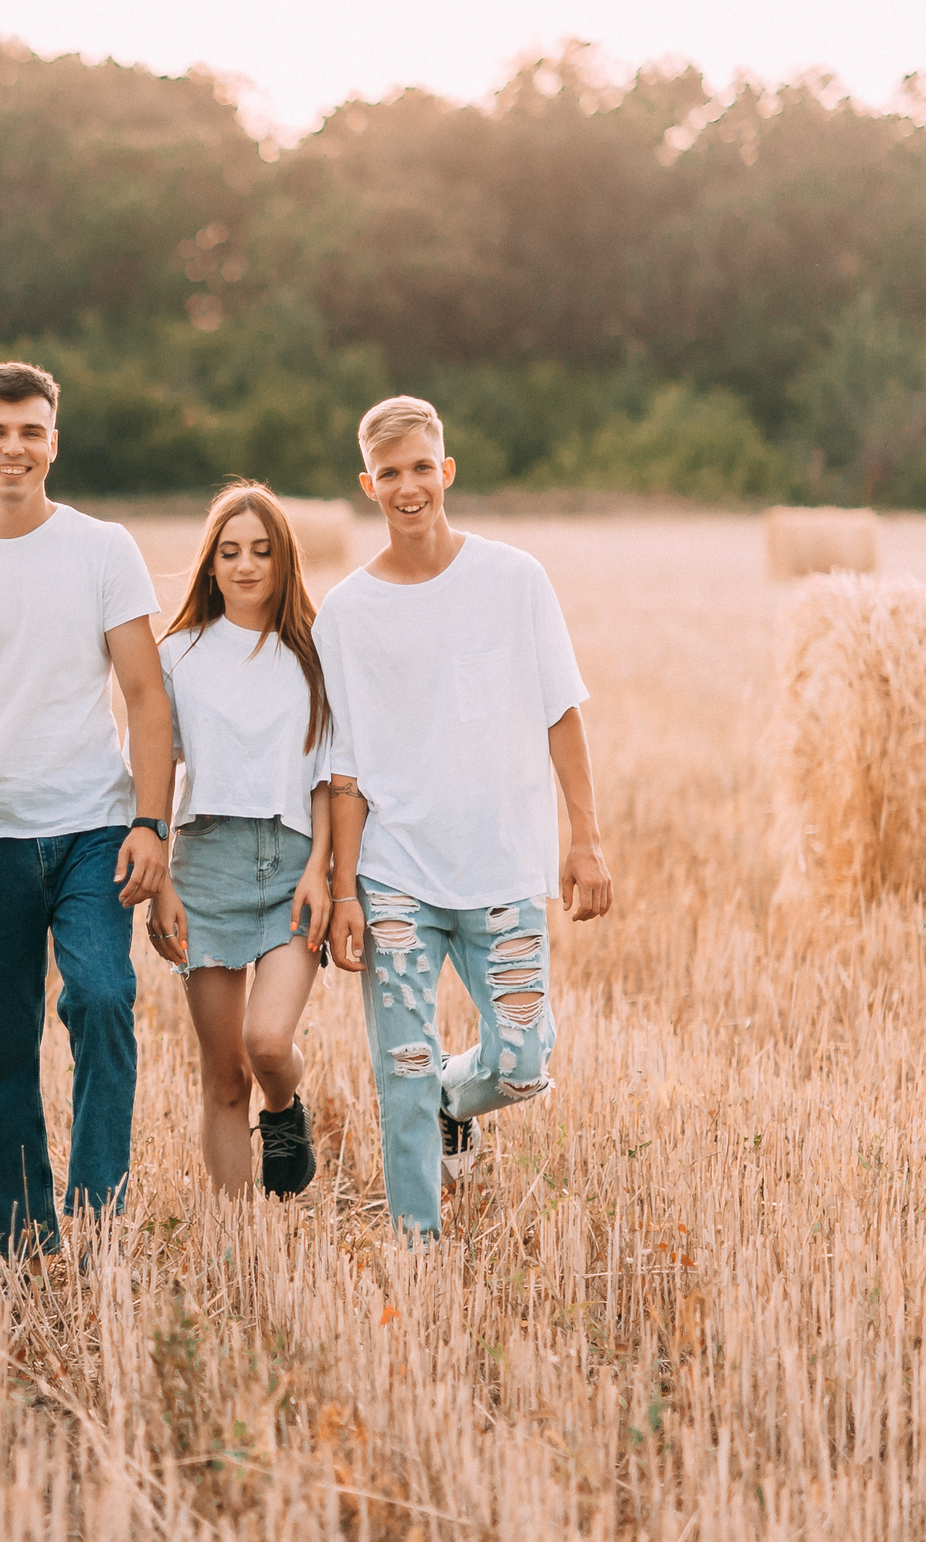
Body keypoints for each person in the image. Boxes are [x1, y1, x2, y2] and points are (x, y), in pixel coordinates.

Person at [319, 395, 615, 1240]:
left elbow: (561, 713)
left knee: (524, 1063)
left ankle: (454, 1099)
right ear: (368, 485)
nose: (408, 487)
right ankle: (416, 1243)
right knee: (401, 1067)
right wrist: (344, 891)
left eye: (422, 467)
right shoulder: (346, 612)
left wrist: (585, 839)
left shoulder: (514, 579)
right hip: (395, 872)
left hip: (502, 866)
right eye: (389, 473)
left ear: (446, 470)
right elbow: (344, 769)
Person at [0, 362, 172, 1257]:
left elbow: (146, 696)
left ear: (54, 442)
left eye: (31, 431)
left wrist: (151, 823)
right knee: (3, 1044)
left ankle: (97, 1208)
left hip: (93, 826)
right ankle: (25, 1234)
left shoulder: (102, 548)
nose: (15, 448)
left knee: (105, 996)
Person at [149, 483, 334, 1199]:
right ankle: (236, 1243)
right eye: (229, 552)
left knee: (267, 1045)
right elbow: (156, 772)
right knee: (225, 1075)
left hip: (293, 864)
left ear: (284, 560)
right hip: (206, 867)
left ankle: (284, 1108)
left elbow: (329, 775)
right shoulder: (178, 655)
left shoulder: (316, 654)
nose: (246, 565)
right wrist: (161, 882)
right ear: (211, 564)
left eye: (261, 550)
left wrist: (321, 870)